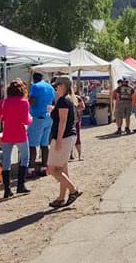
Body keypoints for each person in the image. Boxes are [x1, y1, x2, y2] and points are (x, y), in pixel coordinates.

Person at [47, 76, 82, 208]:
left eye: (57, 85)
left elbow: (63, 121)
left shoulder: (63, 101)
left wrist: (59, 140)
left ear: (64, 86)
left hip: (63, 137)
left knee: (52, 168)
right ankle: (61, 198)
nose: (55, 87)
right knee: (62, 168)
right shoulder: (67, 100)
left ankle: (73, 190)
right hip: (67, 136)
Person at [0, 80, 32, 198]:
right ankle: (20, 185)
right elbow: (26, 120)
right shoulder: (24, 102)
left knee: (6, 161)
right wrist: (31, 119)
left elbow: (0, 116)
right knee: (24, 158)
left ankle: (6, 189)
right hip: (20, 133)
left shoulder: (5, 102)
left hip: (7, 132)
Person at [28, 72, 56, 177]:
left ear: (34, 79)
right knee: (45, 144)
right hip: (48, 117)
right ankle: (44, 167)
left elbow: (33, 101)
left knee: (32, 144)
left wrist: (27, 102)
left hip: (37, 117)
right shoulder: (50, 87)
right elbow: (53, 101)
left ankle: (31, 168)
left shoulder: (35, 86)